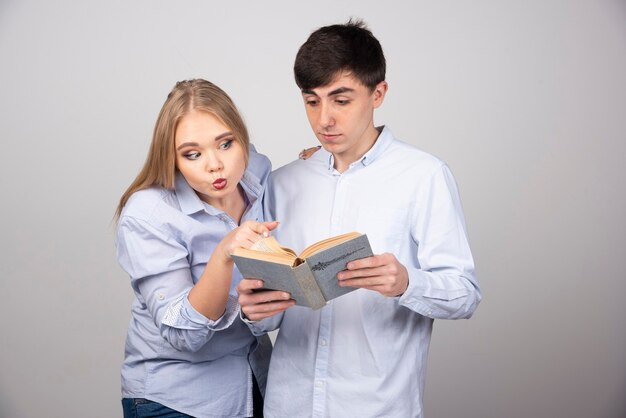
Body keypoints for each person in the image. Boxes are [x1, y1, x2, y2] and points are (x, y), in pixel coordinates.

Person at [237, 19, 482, 417]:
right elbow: (268, 316)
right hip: (290, 404)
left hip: (377, 406)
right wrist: (254, 310)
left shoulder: (424, 176)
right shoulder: (282, 182)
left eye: (341, 99)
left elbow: (465, 294)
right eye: (311, 101)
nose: (323, 120)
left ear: (378, 93)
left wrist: (406, 282)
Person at [115, 79, 275, 418]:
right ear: (171, 158)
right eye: (192, 154)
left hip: (254, 384)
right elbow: (183, 335)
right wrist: (223, 255)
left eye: (226, 144)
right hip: (175, 400)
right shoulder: (149, 214)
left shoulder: (256, 173)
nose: (215, 165)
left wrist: (317, 160)